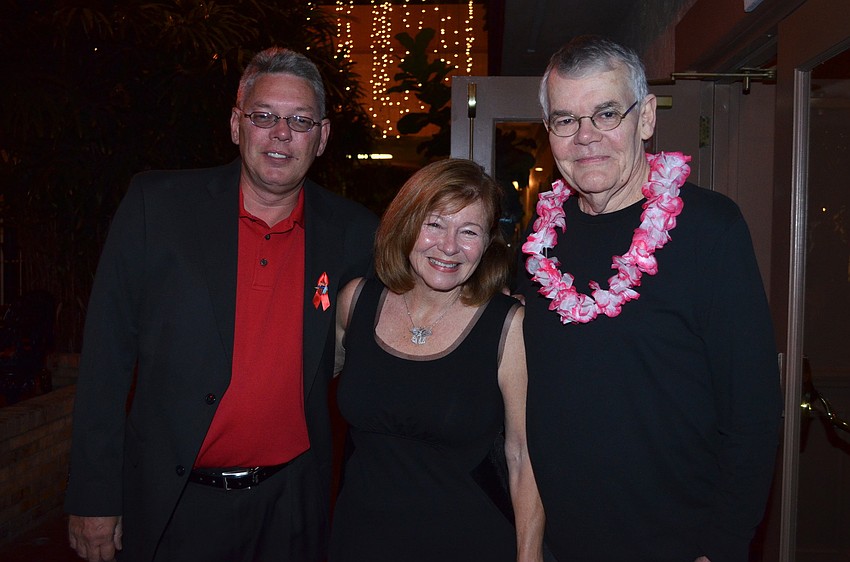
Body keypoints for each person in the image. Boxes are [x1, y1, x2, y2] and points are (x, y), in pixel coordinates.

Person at [64, 47, 378, 562]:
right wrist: (94, 496)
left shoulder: (354, 233)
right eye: (264, 116)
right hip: (175, 503)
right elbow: (105, 360)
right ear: (237, 125)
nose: (282, 132)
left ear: (321, 137)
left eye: (300, 120)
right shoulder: (157, 207)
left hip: (292, 504)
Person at [516, 35, 782, 562]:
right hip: (562, 545)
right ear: (550, 132)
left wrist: (722, 546)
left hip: (678, 545)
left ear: (646, 118)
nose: (585, 137)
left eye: (607, 113)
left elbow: (752, 410)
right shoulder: (539, 242)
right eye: (566, 120)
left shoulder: (710, 229)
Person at [329, 158, 545, 561]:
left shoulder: (507, 327)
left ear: (487, 244)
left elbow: (523, 457)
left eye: (469, 231)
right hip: (359, 540)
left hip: (467, 542)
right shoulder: (355, 302)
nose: (449, 246)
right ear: (405, 224)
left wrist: (528, 558)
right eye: (435, 224)